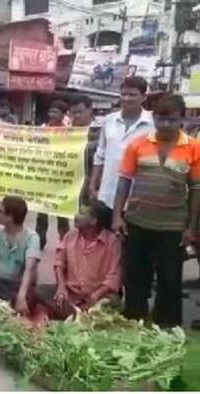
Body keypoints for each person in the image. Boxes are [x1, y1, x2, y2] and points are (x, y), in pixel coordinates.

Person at [112, 94, 199, 328]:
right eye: (161, 119)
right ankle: (134, 321)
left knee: (170, 279)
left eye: (171, 120)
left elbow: (196, 190)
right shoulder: (138, 144)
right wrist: (117, 216)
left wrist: (191, 227)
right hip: (137, 221)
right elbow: (124, 182)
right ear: (155, 118)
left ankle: (167, 327)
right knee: (136, 276)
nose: (165, 125)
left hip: (173, 226)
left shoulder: (194, 148)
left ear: (182, 118)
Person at [36, 202, 121, 319]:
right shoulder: (70, 236)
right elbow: (59, 263)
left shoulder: (112, 242)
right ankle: (79, 314)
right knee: (39, 291)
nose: (76, 216)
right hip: (70, 293)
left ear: (93, 221)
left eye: (81, 213)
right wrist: (61, 286)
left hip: (98, 296)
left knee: (112, 302)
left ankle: (72, 314)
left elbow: (114, 277)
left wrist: (95, 296)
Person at [90, 77, 155, 229]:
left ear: (143, 97)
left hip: (137, 197)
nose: (126, 98)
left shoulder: (153, 123)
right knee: (105, 245)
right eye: (123, 94)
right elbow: (100, 155)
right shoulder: (109, 120)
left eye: (132, 95)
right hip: (107, 193)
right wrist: (93, 184)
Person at [36, 99, 71, 249]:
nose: (52, 114)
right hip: (45, 175)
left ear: (64, 115)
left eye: (56, 112)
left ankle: (64, 242)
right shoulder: (43, 128)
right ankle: (40, 240)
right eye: (51, 111)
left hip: (61, 177)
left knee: (62, 213)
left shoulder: (70, 131)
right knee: (42, 212)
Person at [69, 95, 100, 206]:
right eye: (73, 113)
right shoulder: (66, 133)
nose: (76, 116)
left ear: (89, 110)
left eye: (80, 112)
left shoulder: (101, 130)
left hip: (93, 184)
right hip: (72, 185)